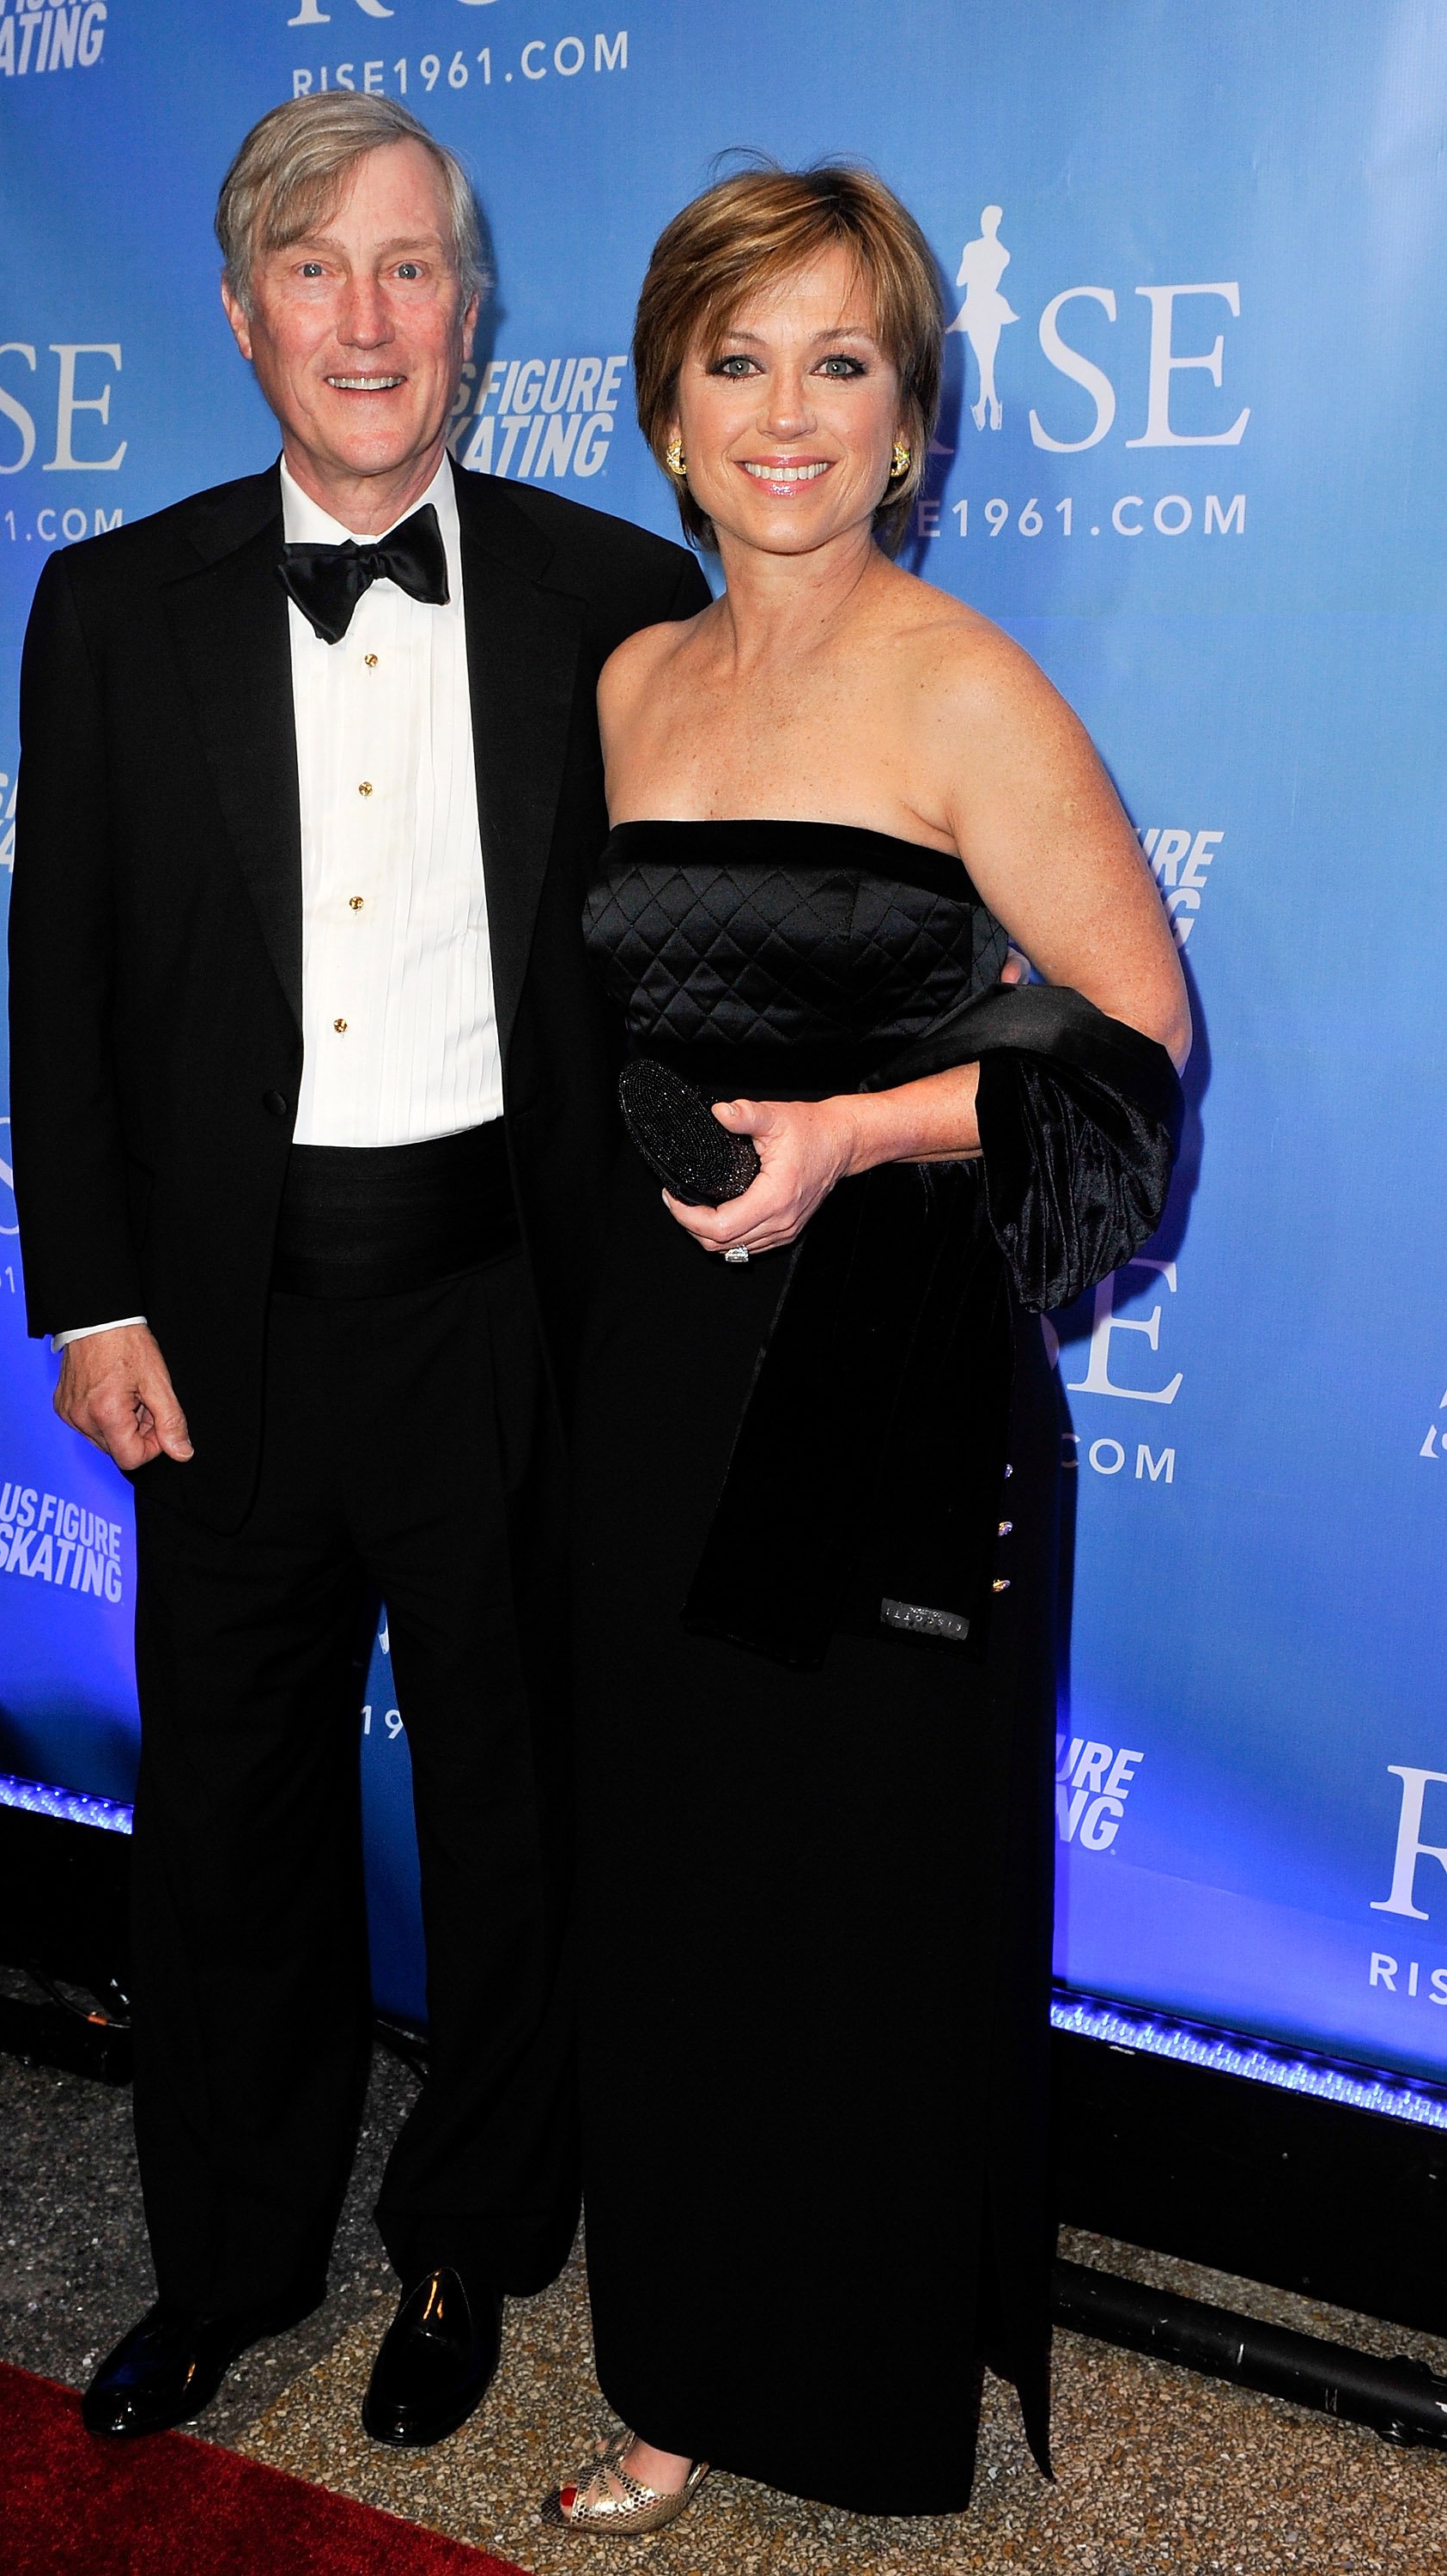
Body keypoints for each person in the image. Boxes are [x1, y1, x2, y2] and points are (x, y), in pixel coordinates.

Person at [8, 93, 707, 2446]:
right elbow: (62, 979)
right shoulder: (112, 606)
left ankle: (463, 2246)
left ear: (476, 310)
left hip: (512, 1319)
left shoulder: (619, 603)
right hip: (221, 1337)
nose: (368, 315)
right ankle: (222, 2265)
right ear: (238, 314)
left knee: (515, 1810)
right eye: (316, 267)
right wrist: (87, 1298)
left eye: (411, 266)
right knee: (225, 1830)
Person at [546, 164, 1189, 2532]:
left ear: (908, 417)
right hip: (654, 1376)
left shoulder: (964, 684)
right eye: (737, 363)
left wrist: (853, 1131)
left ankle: (850, 2389)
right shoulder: (628, 681)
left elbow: (1131, 1041)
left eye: (840, 362)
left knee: (860, 1898)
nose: (786, 413)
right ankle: (681, 2369)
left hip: (886, 1369)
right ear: (667, 410)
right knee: (683, 1885)